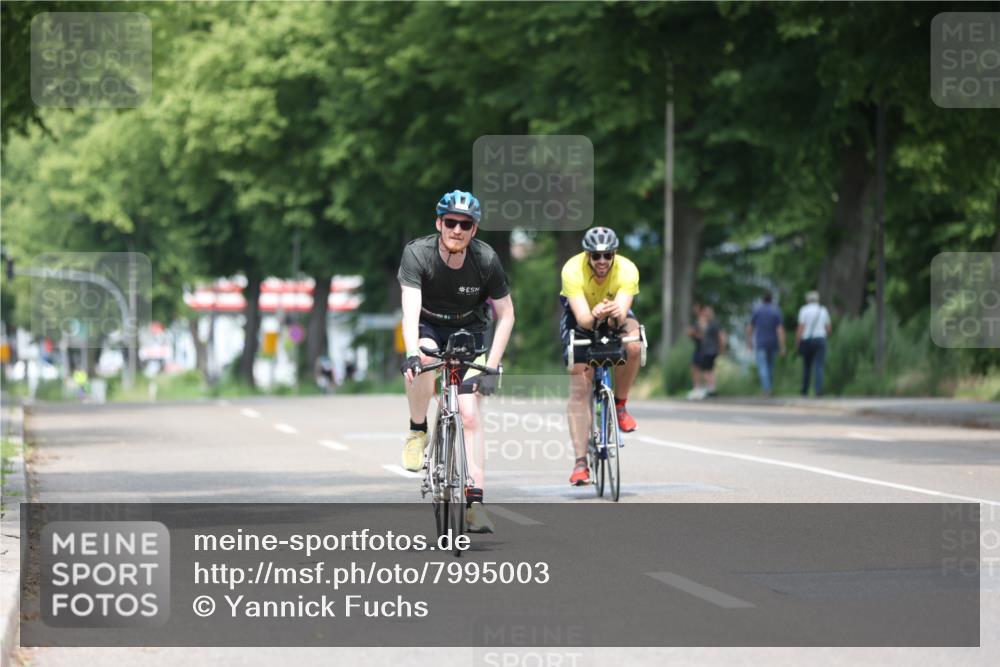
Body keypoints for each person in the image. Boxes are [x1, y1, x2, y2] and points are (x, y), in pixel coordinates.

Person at [397, 190, 515, 533]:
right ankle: (418, 429)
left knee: (469, 413)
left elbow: (506, 315)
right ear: (439, 223)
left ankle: (474, 503)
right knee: (422, 356)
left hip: (470, 330)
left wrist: (491, 366)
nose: (457, 230)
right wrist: (410, 353)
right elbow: (410, 309)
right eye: (451, 222)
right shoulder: (418, 253)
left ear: (474, 230)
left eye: (465, 224)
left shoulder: (486, 259)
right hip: (429, 324)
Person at [559, 227, 643, 486]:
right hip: (581, 315)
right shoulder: (572, 270)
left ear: (614, 254)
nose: (602, 261)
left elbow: (622, 316)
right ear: (587, 256)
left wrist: (615, 312)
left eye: (608, 255)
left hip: (614, 313)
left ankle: (620, 405)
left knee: (634, 343)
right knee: (580, 383)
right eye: (596, 256)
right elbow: (584, 319)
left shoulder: (627, 269)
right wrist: (595, 314)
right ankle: (581, 463)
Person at [746, 291, 786, 396]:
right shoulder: (776, 311)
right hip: (773, 342)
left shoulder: (757, 311)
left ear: (762, 299)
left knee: (763, 366)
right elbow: (780, 330)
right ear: (771, 299)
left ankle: (766, 389)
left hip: (761, 342)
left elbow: (750, 327)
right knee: (770, 366)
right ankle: (770, 388)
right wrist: (782, 346)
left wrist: (749, 341)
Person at [795, 290, 832, 396]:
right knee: (819, 365)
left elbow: (801, 327)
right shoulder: (823, 310)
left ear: (808, 300)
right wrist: (824, 336)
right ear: (817, 299)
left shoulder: (804, 310)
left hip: (807, 339)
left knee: (806, 366)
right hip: (820, 339)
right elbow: (829, 328)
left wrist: (798, 342)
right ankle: (818, 390)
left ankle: (804, 390)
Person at [694, 305, 726, 397]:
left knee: (706, 369)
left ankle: (710, 389)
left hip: (710, 350)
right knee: (710, 369)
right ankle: (712, 388)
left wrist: (722, 348)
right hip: (709, 350)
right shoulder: (708, 323)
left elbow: (721, 336)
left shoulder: (714, 324)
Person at [686, 302, 704, 400]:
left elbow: (704, 335)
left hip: (702, 348)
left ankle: (700, 389)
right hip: (698, 347)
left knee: (699, 369)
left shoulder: (702, 320)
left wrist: (693, 333)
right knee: (695, 369)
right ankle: (697, 388)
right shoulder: (697, 320)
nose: (694, 309)